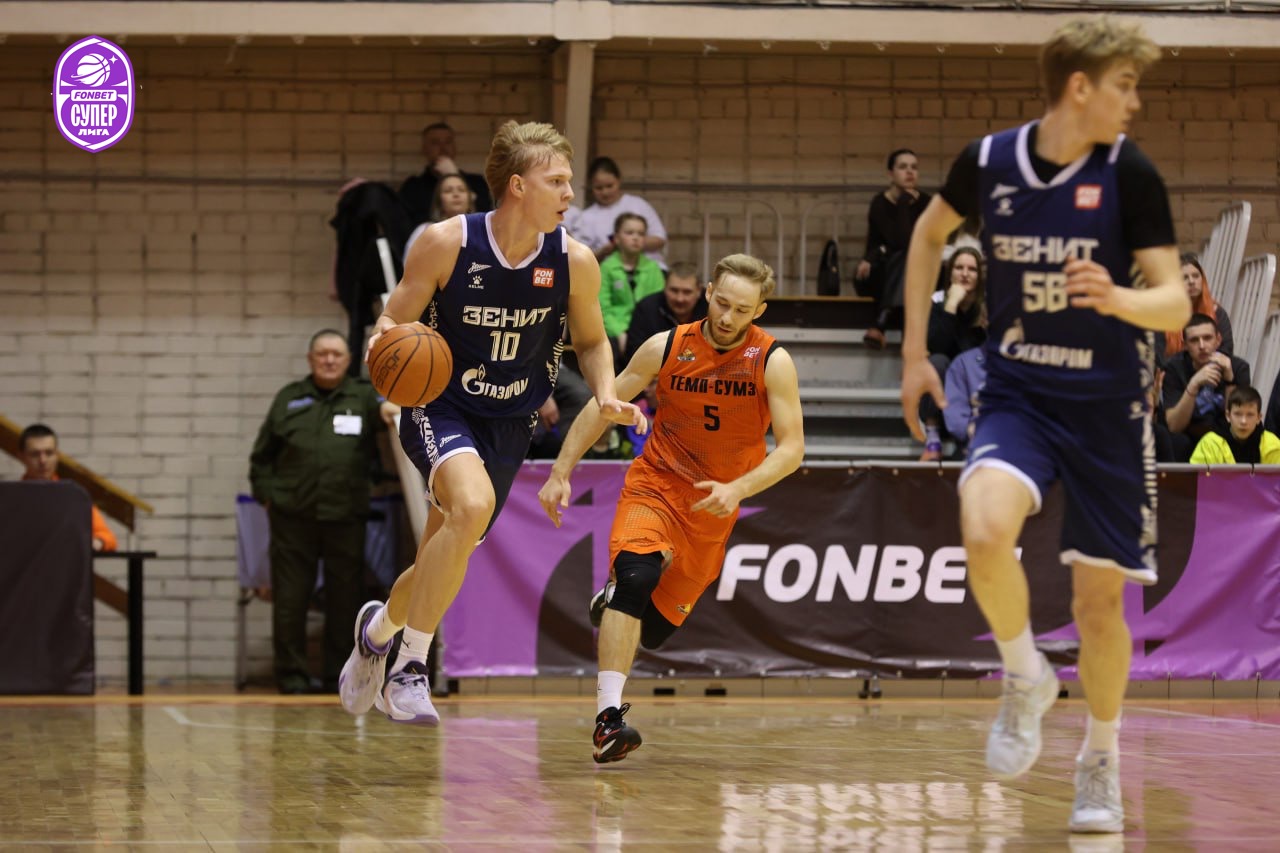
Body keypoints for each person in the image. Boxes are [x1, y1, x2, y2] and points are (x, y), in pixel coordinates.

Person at [900, 17, 1191, 835]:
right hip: (1021, 394)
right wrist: (916, 354)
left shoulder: (1130, 172)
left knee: (1099, 607)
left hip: (1108, 411)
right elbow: (928, 235)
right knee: (982, 527)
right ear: (1080, 87)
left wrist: (1118, 297)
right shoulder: (990, 161)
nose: (1134, 101)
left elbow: (1174, 301)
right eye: (1125, 84)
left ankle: (1100, 758)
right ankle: (1025, 673)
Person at [338, 120, 644, 724]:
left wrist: (606, 392)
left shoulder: (574, 260)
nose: (570, 193)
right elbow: (393, 321)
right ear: (517, 186)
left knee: (445, 551)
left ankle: (376, 632)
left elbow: (590, 341)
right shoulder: (446, 242)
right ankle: (410, 667)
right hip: (441, 404)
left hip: (511, 419)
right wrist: (388, 350)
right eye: (557, 181)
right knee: (472, 507)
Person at [537, 253, 805, 763]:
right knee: (636, 581)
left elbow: (792, 450)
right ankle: (608, 721)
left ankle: (614, 599)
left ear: (759, 311)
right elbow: (603, 404)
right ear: (708, 292)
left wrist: (738, 489)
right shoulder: (666, 345)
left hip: (712, 507)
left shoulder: (772, 360)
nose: (727, 317)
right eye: (722, 303)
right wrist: (560, 471)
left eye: (741, 310)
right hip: (657, 484)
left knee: (656, 631)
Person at [249, 330, 399, 694]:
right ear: (310, 359)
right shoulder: (289, 398)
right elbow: (261, 458)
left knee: (344, 599)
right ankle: (292, 676)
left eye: (336, 354)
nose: (329, 360)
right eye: (322, 354)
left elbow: (389, 409)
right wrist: (269, 497)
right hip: (292, 517)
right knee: (290, 599)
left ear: (348, 361)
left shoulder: (363, 396)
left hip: (345, 516)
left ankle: (337, 674)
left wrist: (390, 406)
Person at [855, 148, 931, 348]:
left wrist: (904, 203)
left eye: (914, 167)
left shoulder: (926, 203)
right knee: (905, 259)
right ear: (891, 173)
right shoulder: (880, 203)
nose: (910, 172)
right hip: (878, 273)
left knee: (908, 260)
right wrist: (904, 203)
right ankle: (910, 346)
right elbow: (899, 241)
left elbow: (907, 244)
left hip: (914, 273)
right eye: (903, 167)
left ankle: (882, 321)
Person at [919, 246, 986, 460]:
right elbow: (936, 345)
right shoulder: (937, 301)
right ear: (950, 273)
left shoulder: (987, 306)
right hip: (947, 378)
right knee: (935, 362)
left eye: (972, 269)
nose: (965, 274)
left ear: (980, 276)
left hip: (975, 379)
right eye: (959, 268)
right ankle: (933, 436)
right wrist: (951, 306)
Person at [1161, 312, 1250, 461]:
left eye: (1207, 338)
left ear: (1218, 340)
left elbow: (1241, 422)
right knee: (1176, 441)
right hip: (1188, 436)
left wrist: (1229, 380)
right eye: (1194, 340)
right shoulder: (1174, 369)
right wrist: (1193, 384)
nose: (1202, 346)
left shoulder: (1237, 367)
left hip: (1225, 435)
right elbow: (1174, 426)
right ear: (1185, 345)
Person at [18, 423, 117, 552]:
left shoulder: (73, 496)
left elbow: (108, 537)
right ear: (21, 457)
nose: (43, 460)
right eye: (35, 454)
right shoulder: (10, 497)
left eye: (49, 453)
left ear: (57, 455)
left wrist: (95, 543)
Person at [571, 157, 668, 267]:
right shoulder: (586, 217)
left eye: (609, 186)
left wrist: (630, 243)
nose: (605, 192)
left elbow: (659, 239)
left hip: (648, 268)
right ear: (590, 187)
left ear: (619, 181)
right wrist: (603, 251)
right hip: (610, 272)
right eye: (598, 188)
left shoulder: (638, 205)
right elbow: (580, 256)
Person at [599, 213, 667, 362]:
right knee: (609, 347)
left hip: (646, 331)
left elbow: (659, 305)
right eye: (629, 233)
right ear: (617, 238)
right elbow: (602, 308)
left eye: (641, 234)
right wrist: (619, 332)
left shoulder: (653, 268)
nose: (635, 238)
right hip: (615, 331)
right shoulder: (606, 268)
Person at [398, 121, 493, 224]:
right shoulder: (413, 187)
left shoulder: (476, 182)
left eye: (448, 142)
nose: (443, 148)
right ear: (424, 149)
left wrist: (454, 174)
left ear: (455, 147)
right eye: (435, 143)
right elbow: (406, 224)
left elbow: (485, 217)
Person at [623, 261, 708, 366]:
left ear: (699, 291)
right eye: (674, 290)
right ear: (665, 286)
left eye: (687, 292)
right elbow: (634, 354)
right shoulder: (646, 308)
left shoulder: (710, 309)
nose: (680, 299)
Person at [1160, 252, 1233, 360]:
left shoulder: (1217, 313)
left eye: (1196, 276)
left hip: (1211, 367)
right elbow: (1157, 355)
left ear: (1202, 279)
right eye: (1184, 278)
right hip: (1173, 368)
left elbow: (1226, 350)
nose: (1191, 281)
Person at [1189, 385, 1280, 464]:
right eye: (1238, 414)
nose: (1243, 421)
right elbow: (1196, 476)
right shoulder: (1209, 444)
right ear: (1228, 416)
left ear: (1259, 418)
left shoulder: (1273, 445)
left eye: (1250, 415)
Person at [403, 173, 478, 259]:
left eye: (461, 190)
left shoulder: (482, 231)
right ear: (439, 201)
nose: (456, 194)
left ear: (470, 200)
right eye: (448, 191)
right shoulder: (425, 230)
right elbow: (409, 263)